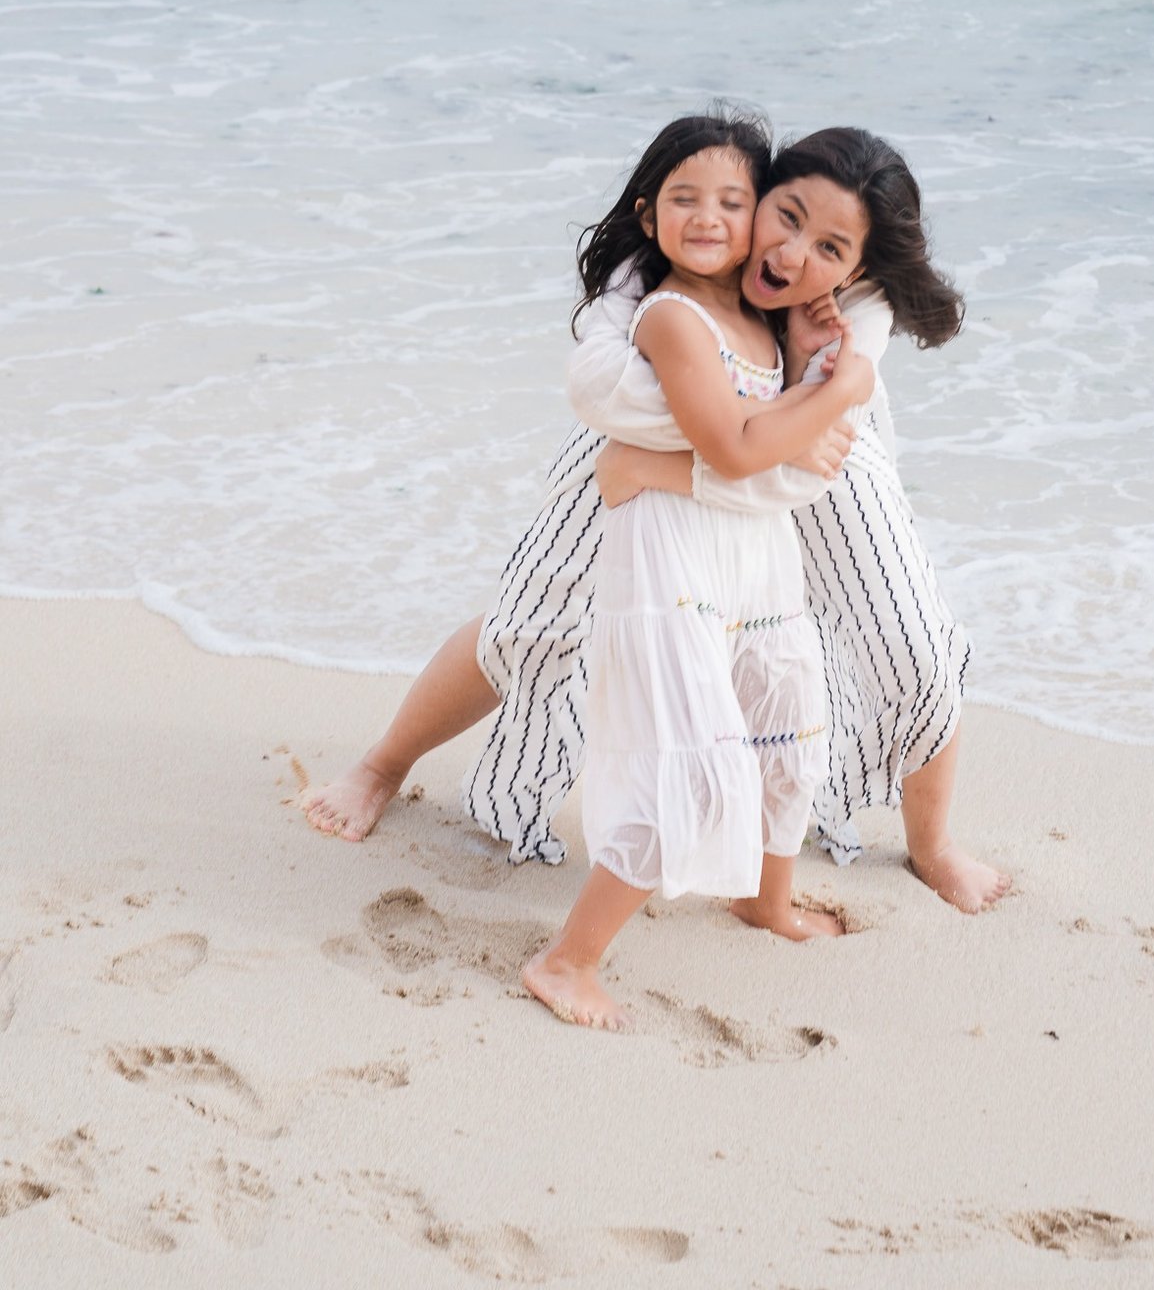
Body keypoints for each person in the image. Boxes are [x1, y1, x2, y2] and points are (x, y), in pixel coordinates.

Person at [303, 123, 1008, 917]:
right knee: (531, 620)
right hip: (650, 444)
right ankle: (382, 766)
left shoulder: (857, 301)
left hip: (820, 453)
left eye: (828, 245)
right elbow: (604, 385)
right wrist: (721, 432)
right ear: (763, 191)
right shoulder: (665, 270)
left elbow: (828, 404)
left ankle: (932, 843)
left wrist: (800, 406)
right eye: (785, 216)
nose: (789, 253)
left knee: (907, 634)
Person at [522, 112, 873, 1028]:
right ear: (649, 217)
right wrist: (837, 388)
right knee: (694, 764)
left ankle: (765, 896)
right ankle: (568, 961)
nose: (712, 217)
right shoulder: (673, 319)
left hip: (756, 561)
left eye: (733, 200)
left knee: (786, 724)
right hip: (673, 556)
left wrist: (808, 356)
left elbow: (773, 433)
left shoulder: (759, 319)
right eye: (685, 199)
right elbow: (739, 447)